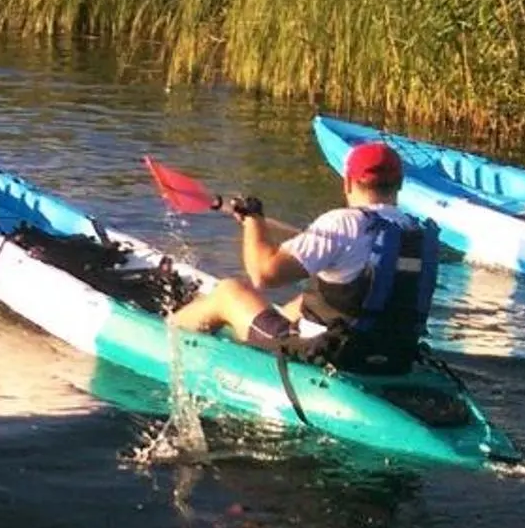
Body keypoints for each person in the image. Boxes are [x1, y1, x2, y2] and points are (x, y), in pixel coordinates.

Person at [165, 140, 437, 374]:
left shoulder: (343, 223)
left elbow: (263, 274)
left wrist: (252, 221)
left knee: (229, 291)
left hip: (332, 353)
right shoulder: (418, 232)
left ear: (348, 182)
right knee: (305, 299)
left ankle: (165, 334)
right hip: (395, 356)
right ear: (400, 183)